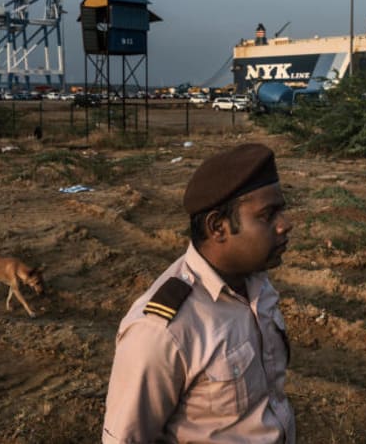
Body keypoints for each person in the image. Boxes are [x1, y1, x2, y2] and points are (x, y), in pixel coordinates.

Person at [102, 143, 296, 443]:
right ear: (217, 226)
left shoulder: (257, 284)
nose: (285, 224)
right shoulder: (162, 330)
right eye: (267, 215)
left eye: (281, 210)